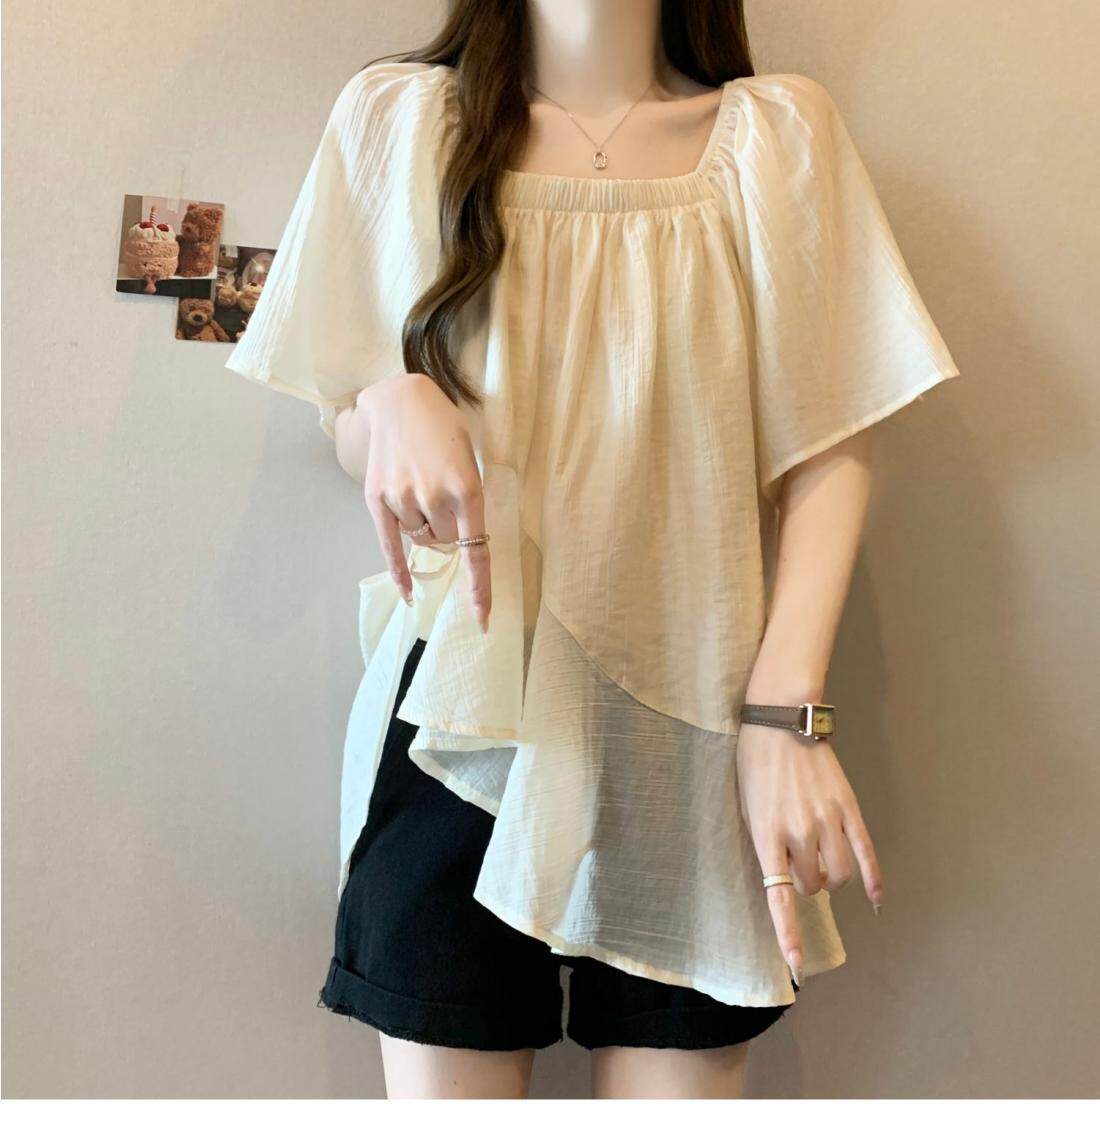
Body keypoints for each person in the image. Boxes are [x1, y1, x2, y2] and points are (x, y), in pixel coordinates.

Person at [225, 0, 961, 1100]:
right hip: (460, 723)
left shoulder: (777, 135)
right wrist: (384, 398)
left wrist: (785, 717)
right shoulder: (399, 120)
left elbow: (830, 443)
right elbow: (350, 427)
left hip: (700, 732)